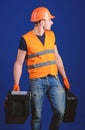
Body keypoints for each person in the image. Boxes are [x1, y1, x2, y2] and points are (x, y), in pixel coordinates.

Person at [13, 7, 70, 130]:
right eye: (50, 20)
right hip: (36, 81)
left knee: (60, 111)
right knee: (36, 116)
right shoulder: (25, 39)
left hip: (54, 79)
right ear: (42, 22)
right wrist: (16, 83)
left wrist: (64, 77)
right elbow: (18, 63)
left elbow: (57, 58)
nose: (52, 22)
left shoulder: (52, 35)